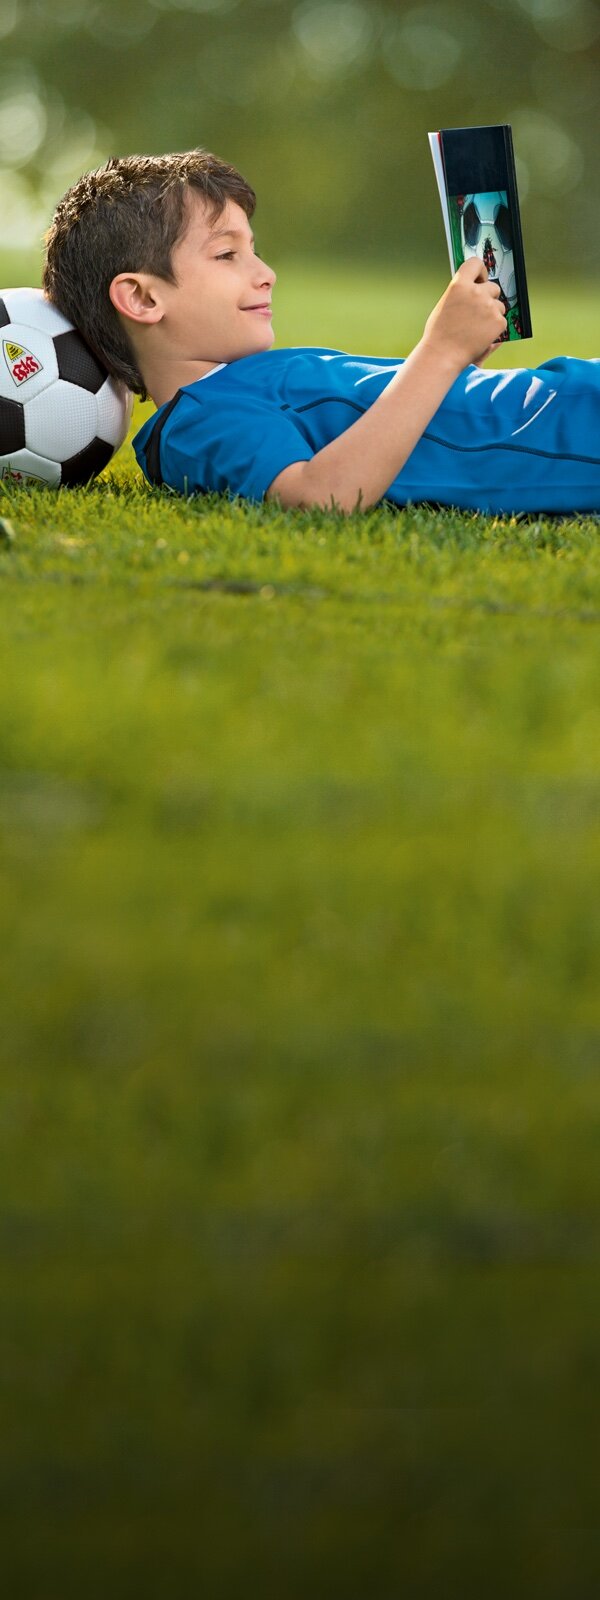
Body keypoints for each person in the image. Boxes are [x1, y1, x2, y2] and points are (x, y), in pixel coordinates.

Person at [42, 149, 600, 518]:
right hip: (574, 430)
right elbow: (319, 495)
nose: (265, 273)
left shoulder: (242, 381)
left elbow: (429, 430)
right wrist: (440, 350)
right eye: (227, 253)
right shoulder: (198, 418)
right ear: (142, 298)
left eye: (253, 250)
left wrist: (461, 359)